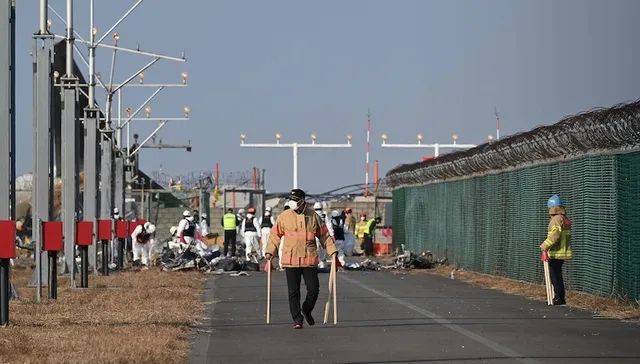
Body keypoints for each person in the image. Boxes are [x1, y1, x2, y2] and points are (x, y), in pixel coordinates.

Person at [265, 189, 337, 329]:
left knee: (314, 289)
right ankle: (297, 319)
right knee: (293, 292)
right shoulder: (284, 216)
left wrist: (332, 251)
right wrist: (269, 252)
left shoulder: (313, 216)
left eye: (295, 200)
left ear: (303, 201)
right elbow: (274, 236)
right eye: (291, 199)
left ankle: (307, 309)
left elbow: (324, 236)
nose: (292, 202)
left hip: (308, 258)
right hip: (290, 259)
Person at [539, 194, 573, 305]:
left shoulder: (556, 219)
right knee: (558, 275)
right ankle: (560, 297)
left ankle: (558, 297)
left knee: (555, 277)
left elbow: (555, 235)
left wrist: (544, 246)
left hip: (556, 252)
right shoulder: (564, 218)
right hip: (562, 252)